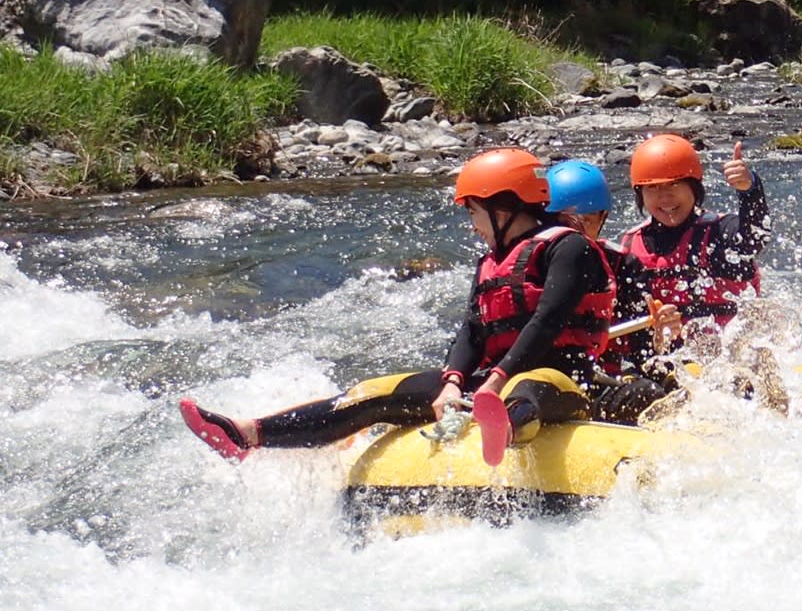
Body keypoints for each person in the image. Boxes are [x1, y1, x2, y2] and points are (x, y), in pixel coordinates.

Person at [179, 148, 616, 462]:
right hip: (489, 384)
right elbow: (470, 331)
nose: (473, 227)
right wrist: (452, 382)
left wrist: (496, 380)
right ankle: (248, 434)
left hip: (562, 379)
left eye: (474, 213)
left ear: (504, 208)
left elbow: (546, 320)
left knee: (527, 390)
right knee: (375, 394)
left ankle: (503, 427)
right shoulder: (491, 262)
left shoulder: (569, 248)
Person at [543, 158, 680, 423]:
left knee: (652, 388)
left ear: (602, 219)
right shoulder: (526, 264)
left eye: (584, 220)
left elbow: (644, 352)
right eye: (561, 222)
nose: (573, 232)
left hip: (598, 382)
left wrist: (660, 336)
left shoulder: (623, 266)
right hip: (540, 381)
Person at [617, 133, 770, 339]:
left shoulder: (720, 232)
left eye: (674, 184)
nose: (664, 196)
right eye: (652, 187)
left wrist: (749, 191)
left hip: (735, 351)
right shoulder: (630, 248)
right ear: (640, 194)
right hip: (677, 355)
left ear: (694, 187)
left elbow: (754, 239)